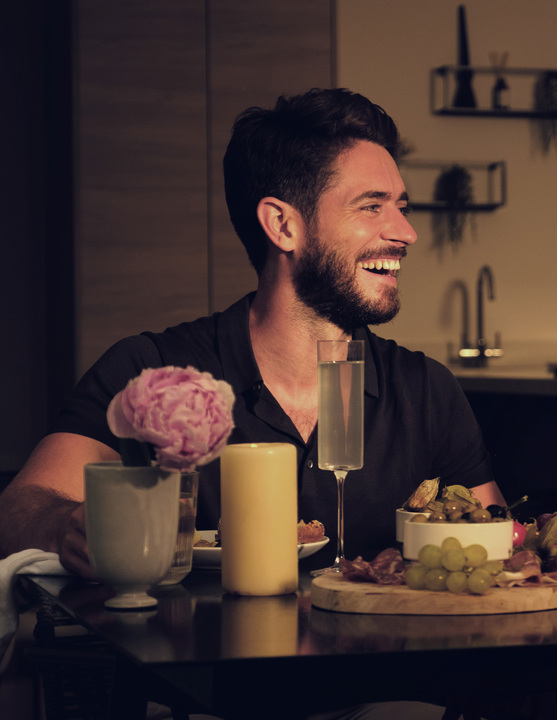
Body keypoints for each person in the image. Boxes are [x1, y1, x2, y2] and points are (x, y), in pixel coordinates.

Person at [0, 88, 502, 576]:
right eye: (372, 206)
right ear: (283, 226)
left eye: (402, 206)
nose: (406, 232)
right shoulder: (149, 371)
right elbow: (19, 510)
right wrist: (64, 525)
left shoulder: (426, 391)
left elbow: (494, 545)